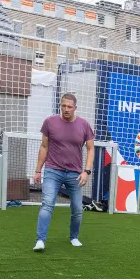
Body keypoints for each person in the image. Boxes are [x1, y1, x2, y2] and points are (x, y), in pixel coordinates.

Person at [32, 93, 95, 252]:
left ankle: (74, 237)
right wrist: (38, 170)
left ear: (75, 108)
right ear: (61, 105)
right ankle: (40, 240)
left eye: (69, 106)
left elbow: (90, 149)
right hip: (53, 171)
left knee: (77, 209)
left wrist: (86, 171)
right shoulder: (49, 122)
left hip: (75, 173)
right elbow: (44, 147)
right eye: (63, 106)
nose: (66, 109)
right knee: (47, 204)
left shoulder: (84, 125)